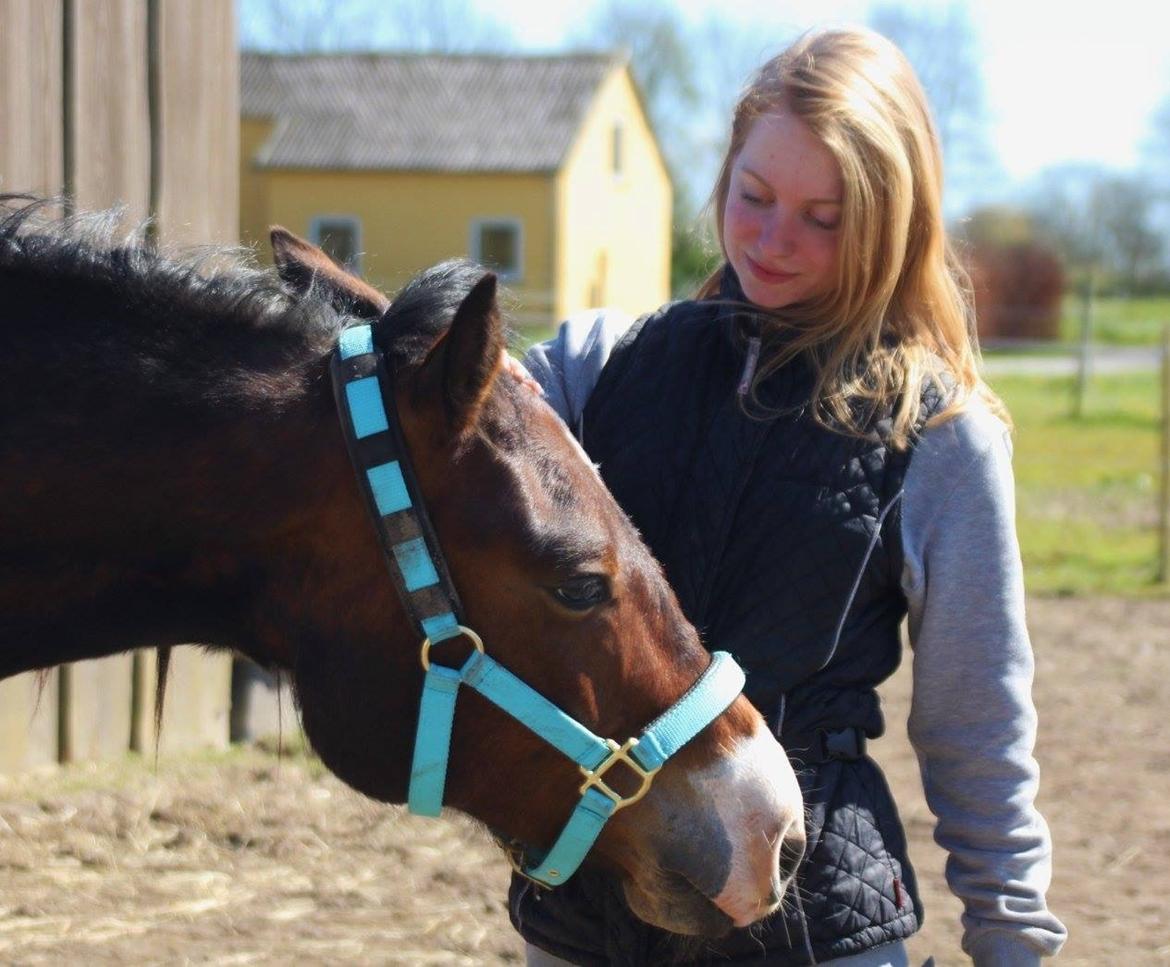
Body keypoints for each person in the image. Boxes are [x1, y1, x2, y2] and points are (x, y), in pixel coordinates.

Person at [507, 26, 1067, 967]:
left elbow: (978, 726)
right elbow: (449, 426)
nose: (772, 239)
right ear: (724, 175)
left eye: (825, 216)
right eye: (754, 195)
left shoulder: (940, 434)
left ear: (893, 223)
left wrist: (1011, 940)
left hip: (807, 922)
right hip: (587, 904)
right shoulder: (599, 365)